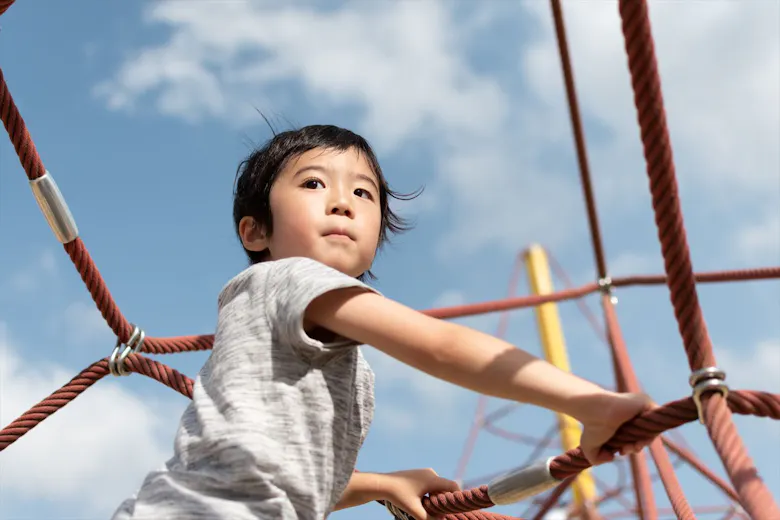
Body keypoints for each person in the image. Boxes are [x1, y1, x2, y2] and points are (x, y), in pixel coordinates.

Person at [111, 125, 654, 520]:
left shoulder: (336, 355)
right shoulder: (285, 280)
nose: (343, 202)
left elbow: (284, 471)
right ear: (256, 233)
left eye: (363, 193)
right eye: (314, 185)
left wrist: (378, 484)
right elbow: (439, 345)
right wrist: (589, 403)